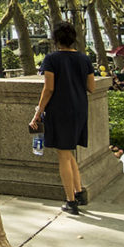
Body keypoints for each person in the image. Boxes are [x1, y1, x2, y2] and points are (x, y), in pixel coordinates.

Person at [30, 22, 96, 215]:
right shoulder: (84, 59)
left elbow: (48, 88)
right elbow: (91, 87)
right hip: (79, 109)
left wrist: (38, 111)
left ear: (56, 39)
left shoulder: (52, 59)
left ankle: (70, 201)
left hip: (60, 109)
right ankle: (79, 191)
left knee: (63, 155)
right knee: (69, 152)